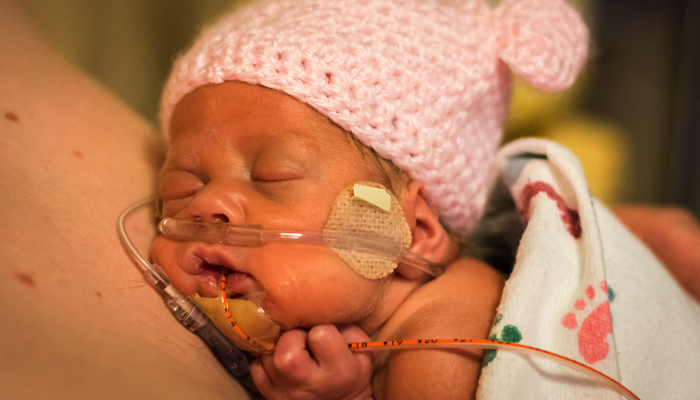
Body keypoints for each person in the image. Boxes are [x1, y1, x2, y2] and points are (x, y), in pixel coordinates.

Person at [149, 0, 589, 398]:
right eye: (183, 185)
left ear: (412, 234)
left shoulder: (442, 348)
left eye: (271, 177)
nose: (210, 204)